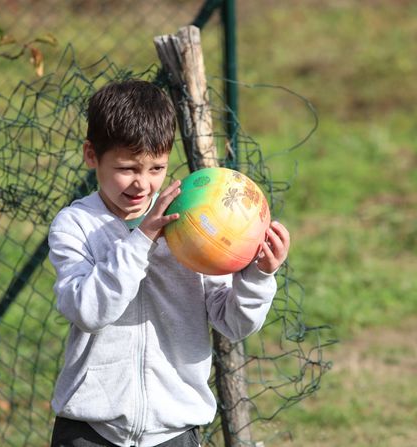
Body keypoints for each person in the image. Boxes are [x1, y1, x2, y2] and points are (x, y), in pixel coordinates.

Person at [48, 79, 290, 447]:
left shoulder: (193, 223)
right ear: (91, 155)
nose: (142, 184)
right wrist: (141, 241)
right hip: (91, 430)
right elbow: (88, 312)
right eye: (127, 168)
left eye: (156, 168)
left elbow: (234, 324)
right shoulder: (75, 225)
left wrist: (258, 276)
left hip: (175, 429)